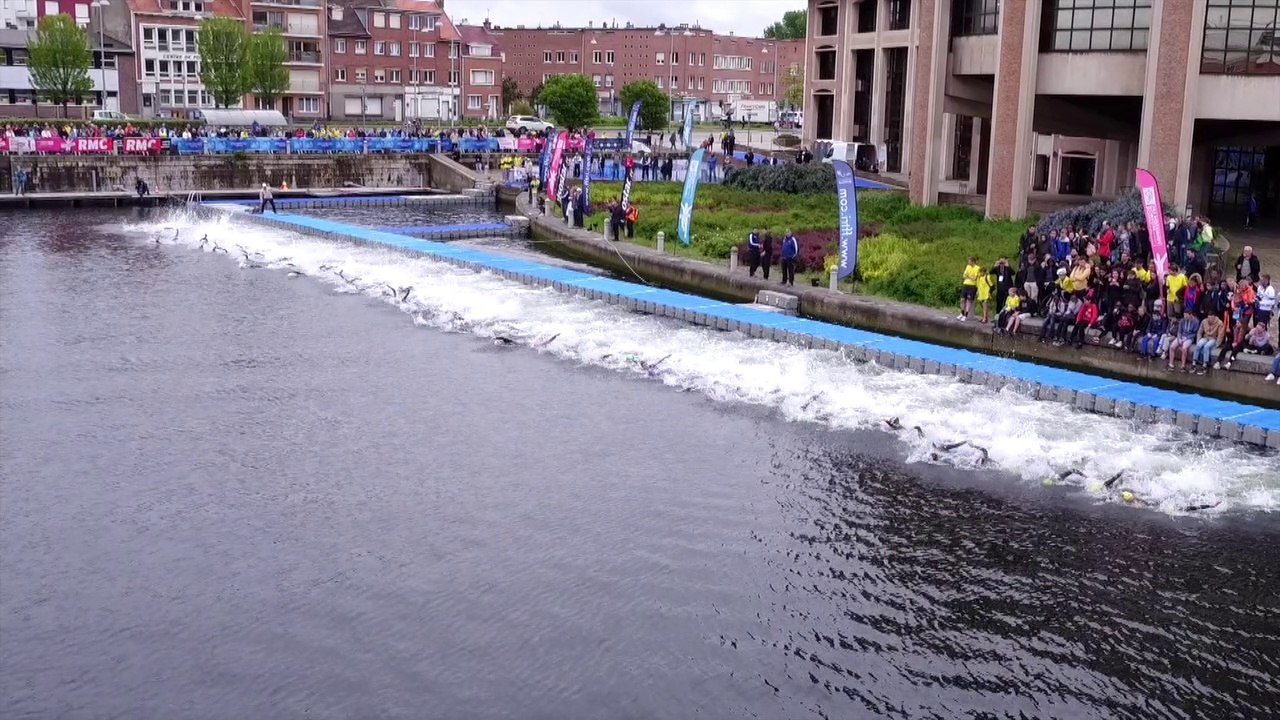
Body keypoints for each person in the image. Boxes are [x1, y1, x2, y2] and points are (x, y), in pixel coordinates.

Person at [959, 256, 981, 321]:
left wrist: (968, 276)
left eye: (969, 261)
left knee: (969, 300)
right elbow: (964, 276)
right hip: (965, 284)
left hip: (972, 286)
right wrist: (969, 276)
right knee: (962, 299)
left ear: (973, 261)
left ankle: (966, 315)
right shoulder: (968, 266)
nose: (968, 262)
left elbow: (974, 279)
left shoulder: (977, 268)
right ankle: (962, 313)